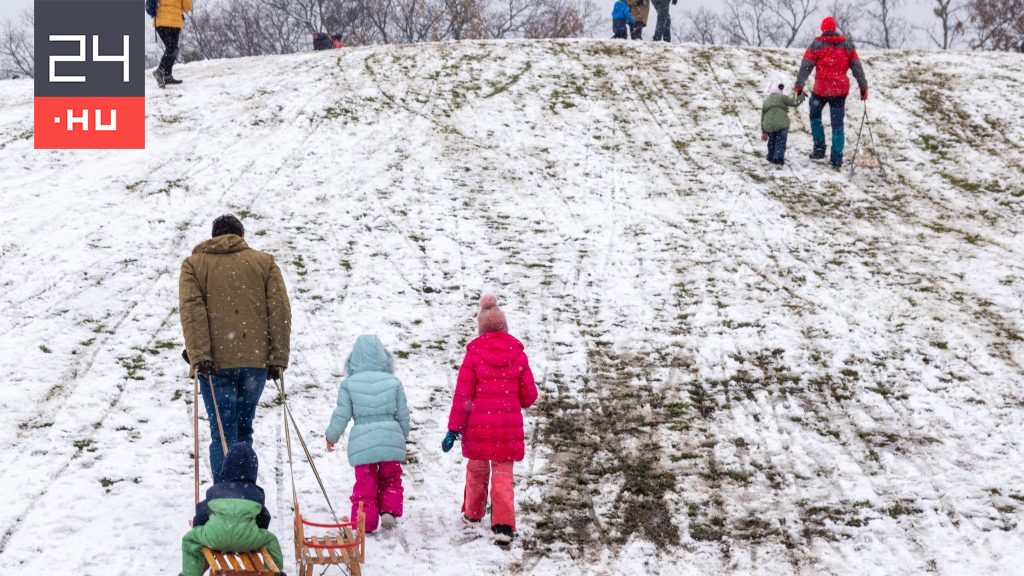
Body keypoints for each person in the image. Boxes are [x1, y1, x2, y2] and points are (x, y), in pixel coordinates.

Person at [179, 214, 291, 477]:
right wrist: (278, 357)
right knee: (244, 429)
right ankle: (244, 490)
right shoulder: (264, 264)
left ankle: (223, 498)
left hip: (215, 364)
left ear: (213, 236)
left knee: (222, 433)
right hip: (255, 362)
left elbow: (192, 311)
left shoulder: (194, 265)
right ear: (242, 237)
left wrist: (199, 355)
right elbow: (279, 311)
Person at [441, 294, 538, 548]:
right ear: (504, 327)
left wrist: (454, 428)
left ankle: (473, 513)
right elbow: (529, 396)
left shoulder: (473, 355)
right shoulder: (517, 354)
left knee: (477, 470)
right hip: (506, 429)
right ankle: (504, 525)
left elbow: (463, 395)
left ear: (481, 330)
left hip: (479, 428)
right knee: (503, 475)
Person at [325, 335, 411, 533]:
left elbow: (342, 414)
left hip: (363, 444)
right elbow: (403, 414)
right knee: (391, 478)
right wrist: (401, 436)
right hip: (391, 438)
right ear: (383, 359)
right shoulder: (393, 383)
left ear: (353, 360)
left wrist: (332, 436)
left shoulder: (349, 385)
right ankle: (389, 511)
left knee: (365, 482)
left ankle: (366, 521)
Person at [181, 443, 284, 576]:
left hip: (215, 537)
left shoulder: (215, 491)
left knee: (190, 540)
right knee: (271, 540)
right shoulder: (256, 494)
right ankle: (274, 572)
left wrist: (198, 525)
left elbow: (202, 513)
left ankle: (190, 574)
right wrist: (255, 530)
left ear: (225, 468)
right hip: (246, 539)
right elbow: (264, 518)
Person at [794, 16, 869, 170]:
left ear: (823, 29)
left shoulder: (816, 44)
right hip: (839, 91)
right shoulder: (847, 45)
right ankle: (836, 158)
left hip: (821, 90)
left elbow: (805, 66)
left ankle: (819, 149)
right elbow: (857, 67)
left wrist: (799, 85)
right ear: (834, 28)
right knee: (837, 125)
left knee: (815, 116)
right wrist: (863, 87)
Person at [761, 83, 806, 167]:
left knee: (772, 140)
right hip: (782, 123)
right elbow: (794, 103)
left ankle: (770, 156)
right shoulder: (782, 97)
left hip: (769, 124)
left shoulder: (767, 101)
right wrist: (802, 96)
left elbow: (763, 117)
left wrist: (764, 131)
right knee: (781, 140)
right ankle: (778, 159)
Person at [153, 0, 193, 88]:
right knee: (172, 49)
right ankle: (160, 71)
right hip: (172, 22)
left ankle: (167, 76)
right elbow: (187, 7)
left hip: (159, 23)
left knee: (172, 48)